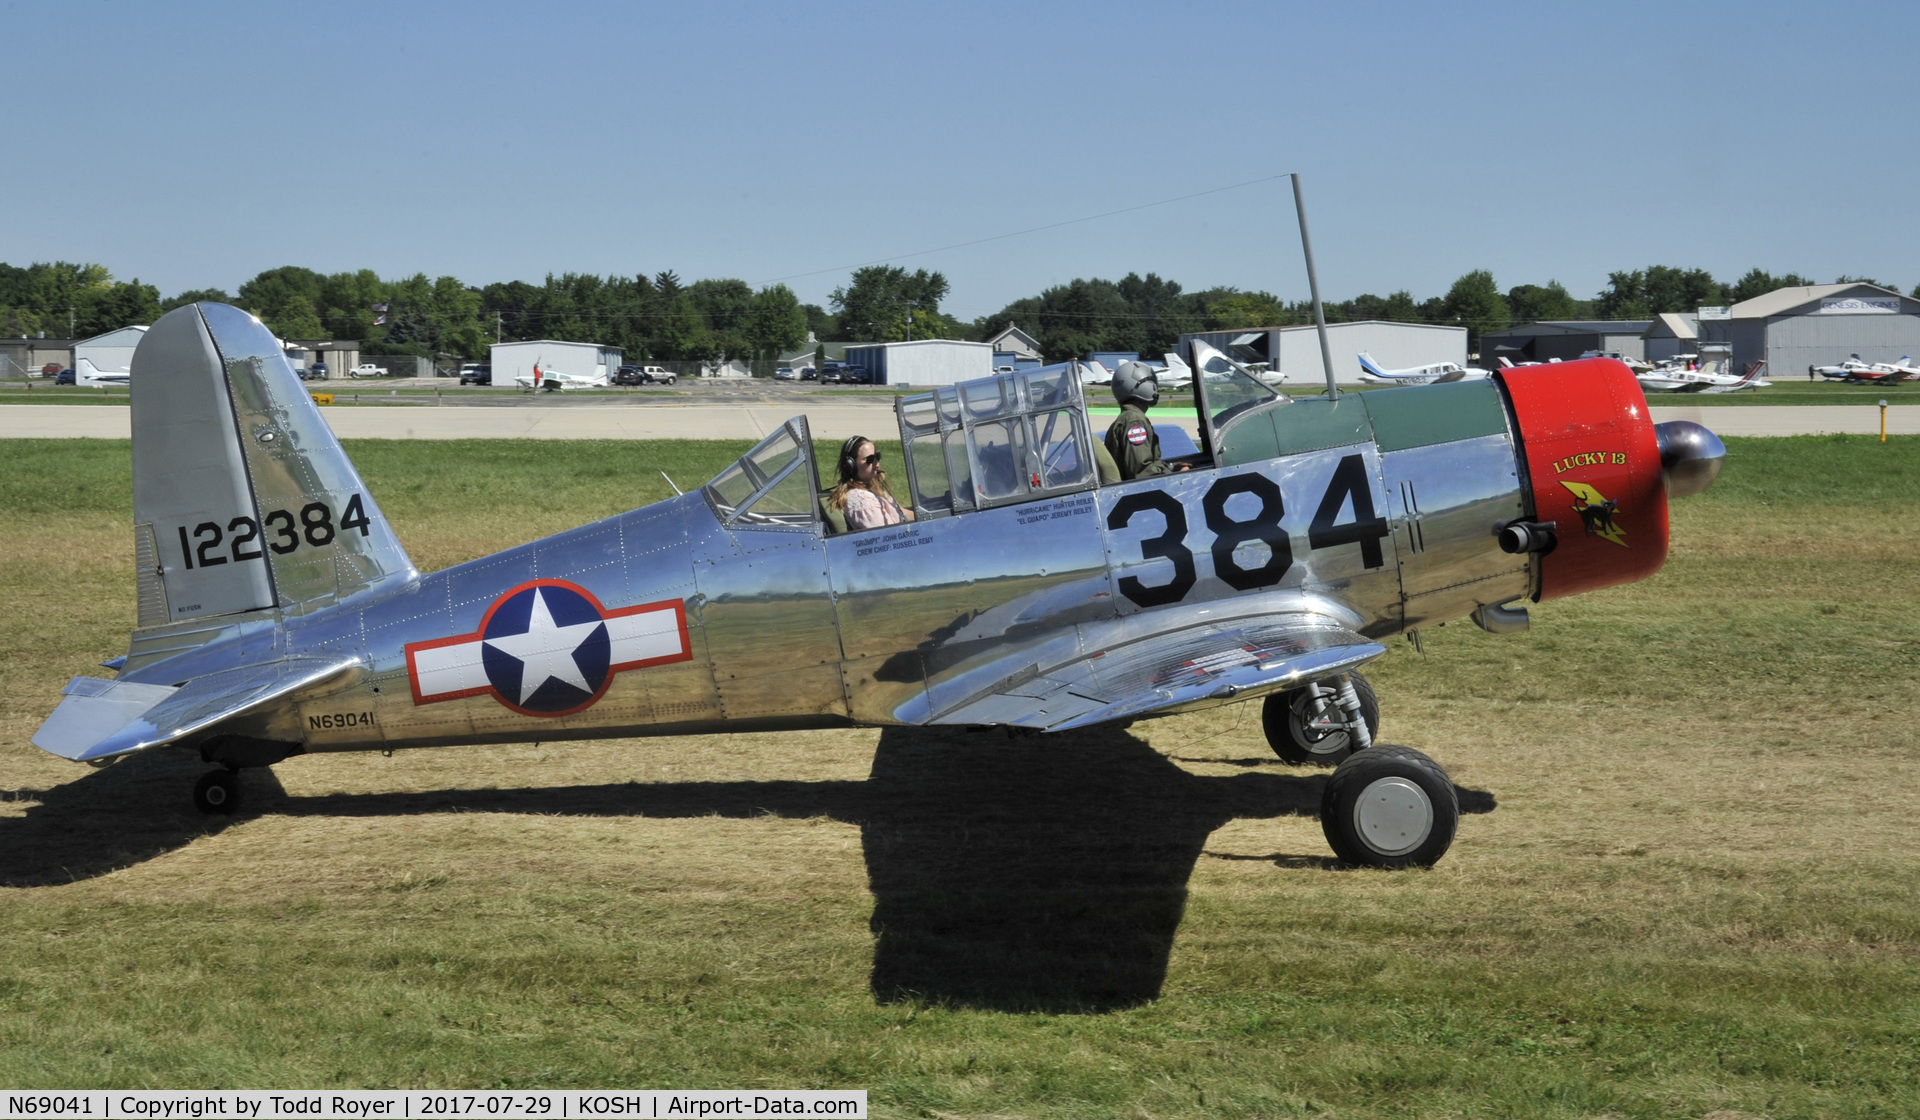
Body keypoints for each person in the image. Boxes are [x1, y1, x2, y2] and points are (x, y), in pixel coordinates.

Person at [1104, 360, 1189, 480]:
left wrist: (1170, 468)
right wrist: (1176, 476)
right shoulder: (1135, 421)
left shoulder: (1128, 418)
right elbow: (1142, 473)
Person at [830, 435, 915, 530]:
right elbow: (886, 535)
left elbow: (901, 513)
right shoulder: (862, 500)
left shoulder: (872, 490)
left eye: (877, 456)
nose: (876, 462)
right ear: (851, 465)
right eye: (869, 459)